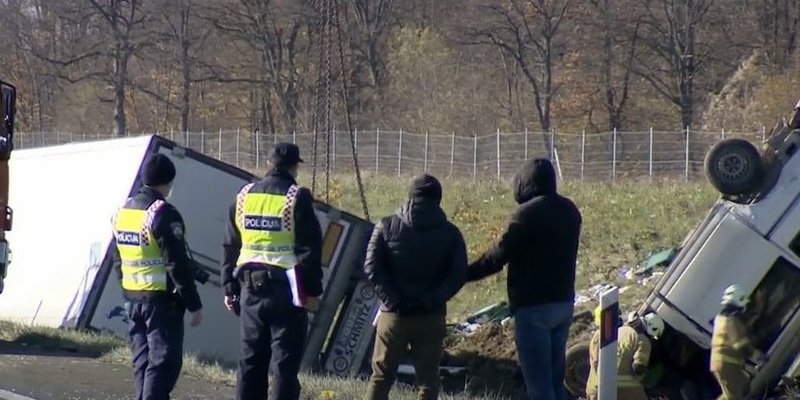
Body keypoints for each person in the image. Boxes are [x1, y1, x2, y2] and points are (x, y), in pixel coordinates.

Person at [467, 158, 581, 400]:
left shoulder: (526, 214)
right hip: (564, 303)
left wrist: (465, 274)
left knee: (539, 387)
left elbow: (497, 256)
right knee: (555, 381)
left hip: (534, 307)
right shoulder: (570, 210)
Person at [222, 142, 323, 400]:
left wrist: (229, 288)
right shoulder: (296, 197)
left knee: (250, 361)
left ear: (269, 163)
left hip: (250, 289)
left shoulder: (243, 196)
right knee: (284, 365)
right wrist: (313, 291)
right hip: (287, 291)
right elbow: (309, 249)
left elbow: (231, 245)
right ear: (294, 167)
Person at [363, 173, 468, 400]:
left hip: (393, 316)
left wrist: (393, 300)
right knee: (428, 381)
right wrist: (433, 300)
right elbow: (458, 275)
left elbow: (372, 267)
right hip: (431, 316)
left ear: (410, 196)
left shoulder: (386, 225)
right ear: (438, 198)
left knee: (380, 377)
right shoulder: (451, 233)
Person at [110, 153, 204, 400]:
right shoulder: (162, 213)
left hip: (133, 298)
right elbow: (176, 263)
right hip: (161, 301)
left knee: (142, 362)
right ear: (168, 182)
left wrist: (125, 287)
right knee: (163, 363)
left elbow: (116, 258)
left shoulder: (122, 212)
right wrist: (194, 304)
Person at [585, 307, 664, 400]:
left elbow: (595, 361)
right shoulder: (643, 341)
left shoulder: (619, 330)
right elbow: (638, 367)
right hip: (619, 388)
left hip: (595, 387)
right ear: (652, 329)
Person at [710, 284, 767, 400]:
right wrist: (758, 356)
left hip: (724, 364)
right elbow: (741, 345)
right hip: (727, 365)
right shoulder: (730, 321)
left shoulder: (721, 318)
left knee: (735, 391)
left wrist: (758, 310)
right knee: (736, 396)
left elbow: (744, 326)